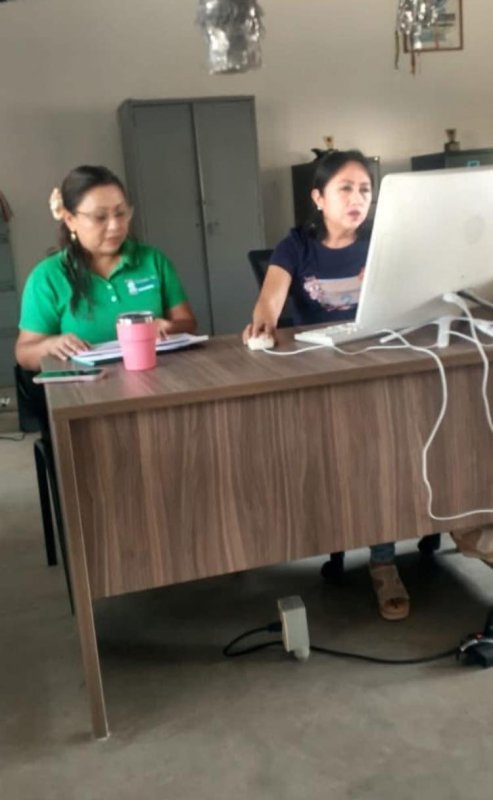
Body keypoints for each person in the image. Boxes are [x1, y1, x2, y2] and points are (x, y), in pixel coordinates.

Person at [243, 149, 409, 621]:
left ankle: (383, 561)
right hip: (319, 373)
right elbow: (270, 301)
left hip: (378, 365)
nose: (358, 199)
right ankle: (344, 539)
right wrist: (263, 323)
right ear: (318, 198)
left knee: (383, 454)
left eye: (365, 190)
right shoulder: (296, 246)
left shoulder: (383, 240)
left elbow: (411, 301)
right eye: (345, 189)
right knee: (346, 458)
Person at [16, 164, 197, 372]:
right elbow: (24, 353)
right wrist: (50, 345)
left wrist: (168, 327)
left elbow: (188, 324)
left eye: (121, 213)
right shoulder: (48, 277)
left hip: (156, 378)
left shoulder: (153, 261)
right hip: (85, 387)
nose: (115, 226)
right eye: (100, 217)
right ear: (70, 220)